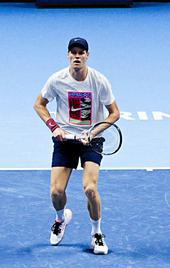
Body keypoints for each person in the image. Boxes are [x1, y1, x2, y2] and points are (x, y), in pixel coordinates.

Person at [34, 37, 120, 254]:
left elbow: (115, 113)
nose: (77, 56)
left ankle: (96, 233)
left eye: (81, 53)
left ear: (87, 56)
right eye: (73, 53)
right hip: (65, 139)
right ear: (68, 55)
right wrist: (54, 127)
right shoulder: (57, 80)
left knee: (90, 188)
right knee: (56, 191)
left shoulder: (99, 81)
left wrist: (92, 133)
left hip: (92, 138)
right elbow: (39, 105)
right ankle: (61, 219)